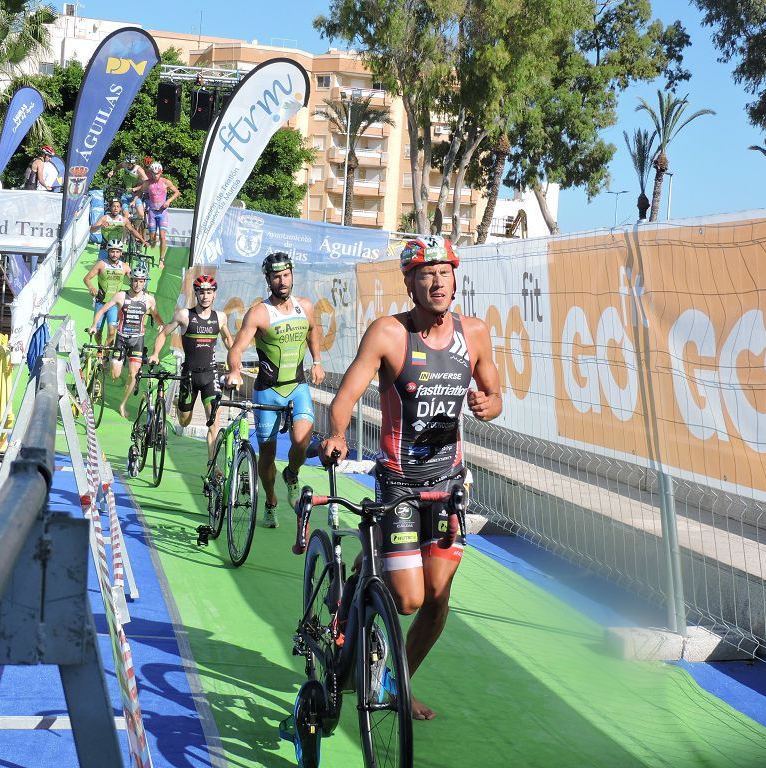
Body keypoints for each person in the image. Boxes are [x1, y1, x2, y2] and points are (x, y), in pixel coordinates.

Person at [317, 235, 502, 721]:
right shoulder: (388, 334)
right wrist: (337, 434)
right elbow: (345, 398)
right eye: (426, 273)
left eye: (444, 272)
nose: (437, 281)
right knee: (408, 599)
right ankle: (362, 574)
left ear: (455, 279)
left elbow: (494, 393)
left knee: (437, 600)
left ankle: (398, 684)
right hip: (399, 483)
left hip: (448, 486)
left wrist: (488, 406)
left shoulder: (476, 333)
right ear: (409, 282)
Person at [226, 252, 324, 528]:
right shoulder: (259, 312)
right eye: (276, 277)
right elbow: (236, 348)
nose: (282, 281)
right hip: (268, 391)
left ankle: (291, 474)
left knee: (302, 440)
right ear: (268, 280)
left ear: (292, 275)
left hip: (297, 386)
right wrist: (234, 371)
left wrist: (317, 361)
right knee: (267, 455)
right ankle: (270, 499)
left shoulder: (304, 306)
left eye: (286, 275)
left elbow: (313, 330)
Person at [149, 274, 234, 456]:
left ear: (214, 295)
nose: (205, 296)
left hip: (210, 375)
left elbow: (227, 338)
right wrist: (155, 354)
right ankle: (178, 405)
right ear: (196, 294)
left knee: (213, 421)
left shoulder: (220, 317)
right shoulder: (184, 315)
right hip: (189, 375)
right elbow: (164, 334)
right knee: (184, 421)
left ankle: (211, 465)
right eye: (201, 292)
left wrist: (235, 358)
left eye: (209, 292)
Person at [89, 265, 164, 418]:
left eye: (141, 281)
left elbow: (157, 317)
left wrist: (161, 325)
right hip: (121, 338)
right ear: (131, 281)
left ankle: (122, 404)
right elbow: (102, 310)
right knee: (115, 375)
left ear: (145, 282)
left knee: (133, 375)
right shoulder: (121, 296)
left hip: (137, 340)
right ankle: (116, 365)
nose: (138, 284)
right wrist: (93, 326)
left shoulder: (149, 299)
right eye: (135, 281)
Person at [134, 160, 180, 271]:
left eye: (158, 173)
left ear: (161, 172)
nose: (155, 175)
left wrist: (168, 201)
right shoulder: (147, 183)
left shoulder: (166, 182)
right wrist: (134, 199)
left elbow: (177, 192)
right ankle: (152, 247)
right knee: (153, 238)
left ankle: (161, 259)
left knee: (163, 237)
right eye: (153, 173)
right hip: (152, 212)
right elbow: (140, 191)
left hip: (162, 212)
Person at [83, 240, 131, 345]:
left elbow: (134, 282)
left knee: (111, 332)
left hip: (114, 304)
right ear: (108, 251)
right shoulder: (101, 264)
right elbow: (86, 278)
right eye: (112, 251)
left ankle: (105, 355)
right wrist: (91, 287)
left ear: (121, 253)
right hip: (101, 302)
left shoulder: (125, 267)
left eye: (117, 252)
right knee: (98, 331)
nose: (114, 254)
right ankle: (99, 348)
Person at [105, 154, 148, 221]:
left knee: (141, 214)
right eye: (127, 163)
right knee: (125, 215)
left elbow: (147, 183)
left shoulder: (139, 170)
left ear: (134, 163)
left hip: (136, 194)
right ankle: (127, 228)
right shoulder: (124, 164)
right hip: (125, 193)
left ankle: (136, 227)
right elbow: (117, 167)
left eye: (129, 163)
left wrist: (135, 189)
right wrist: (113, 171)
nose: (127, 165)